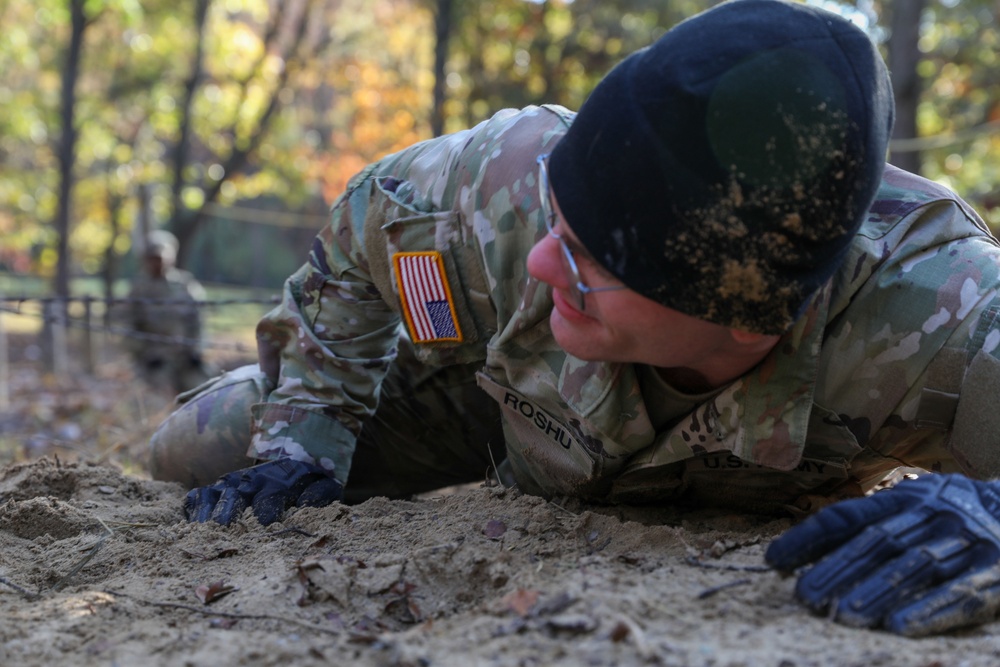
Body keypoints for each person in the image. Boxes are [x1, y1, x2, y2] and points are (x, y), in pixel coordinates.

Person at [150, 0, 1000, 637]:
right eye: (561, 221)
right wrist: (303, 435)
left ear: (748, 318)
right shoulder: (502, 180)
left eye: (597, 263)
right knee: (195, 446)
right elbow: (360, 234)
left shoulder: (940, 309)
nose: (543, 262)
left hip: (771, 465)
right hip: (513, 393)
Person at [126, 230, 211, 394]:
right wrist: (144, 353)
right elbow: (127, 326)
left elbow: (198, 320)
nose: (158, 263)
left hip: (186, 358)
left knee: (202, 396)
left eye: (162, 258)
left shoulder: (185, 284)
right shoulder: (138, 289)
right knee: (156, 402)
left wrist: (196, 351)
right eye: (153, 258)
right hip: (155, 361)